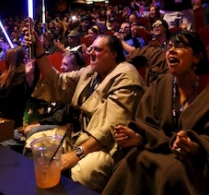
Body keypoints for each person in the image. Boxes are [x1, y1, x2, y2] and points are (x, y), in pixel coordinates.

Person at [103, 31, 209, 194]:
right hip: (158, 151)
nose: (171, 50)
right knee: (130, 162)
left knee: (171, 172)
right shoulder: (158, 87)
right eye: (169, 46)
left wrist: (193, 146)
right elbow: (146, 125)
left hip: (198, 163)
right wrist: (137, 137)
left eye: (179, 46)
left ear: (197, 57)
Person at [28, 31, 145, 192]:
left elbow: (110, 127)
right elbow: (57, 80)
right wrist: (39, 53)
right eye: (91, 49)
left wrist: (76, 155)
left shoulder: (126, 74)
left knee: (86, 172)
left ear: (114, 54)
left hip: (107, 146)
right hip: (78, 135)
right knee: (34, 143)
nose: (90, 52)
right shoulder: (91, 72)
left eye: (97, 49)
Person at [123, 19, 170, 88]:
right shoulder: (150, 45)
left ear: (165, 28)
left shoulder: (171, 43)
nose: (156, 27)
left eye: (159, 24)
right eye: (154, 25)